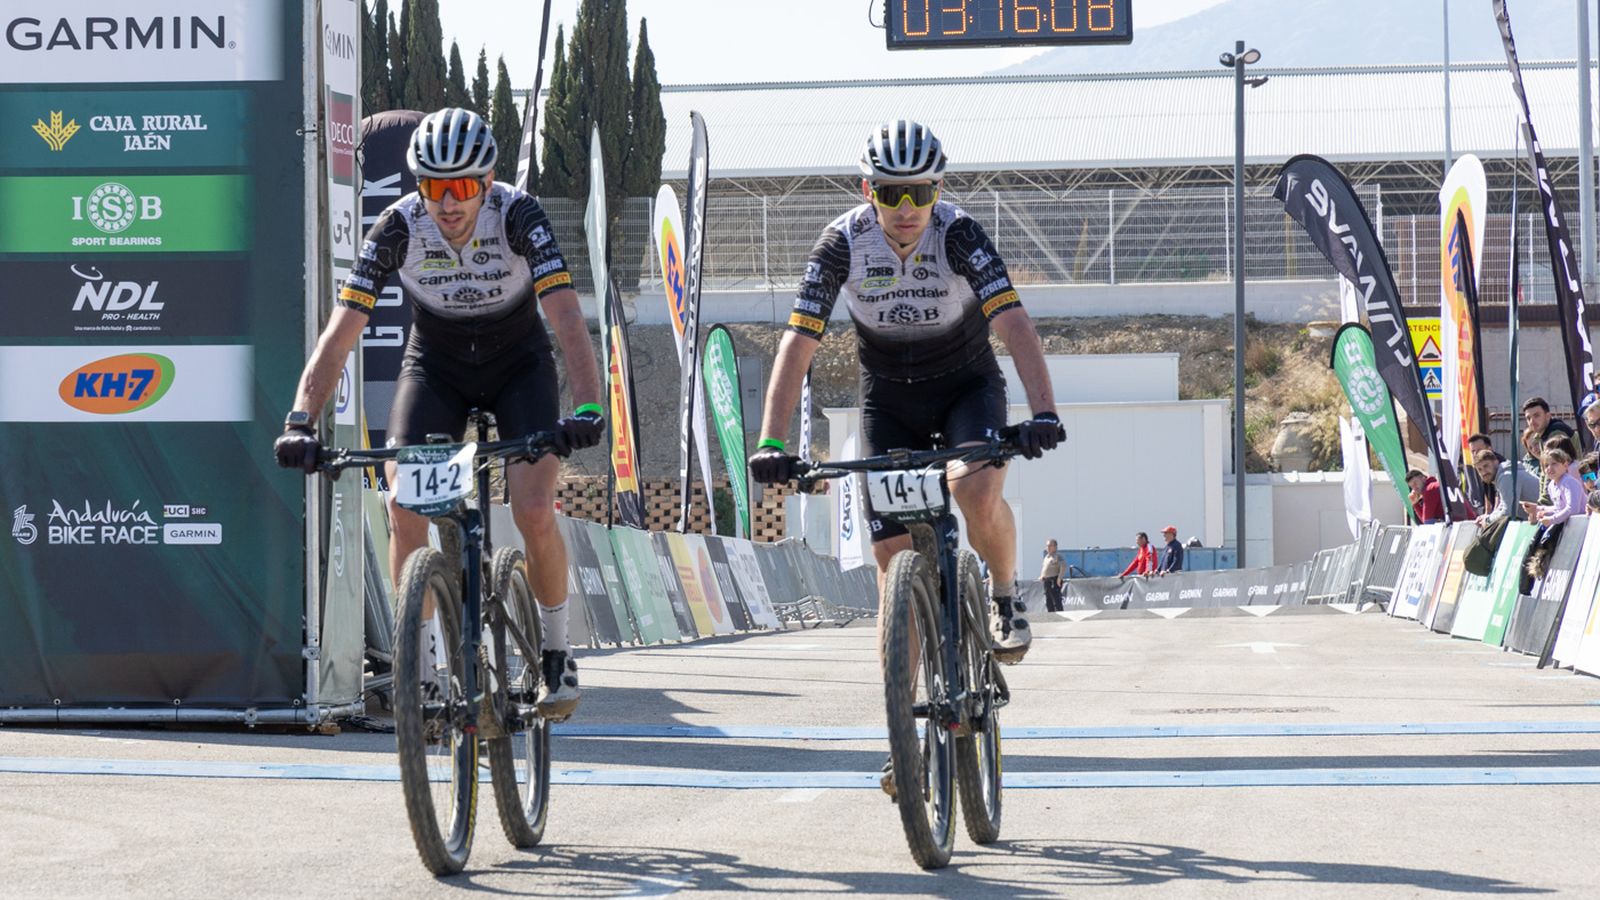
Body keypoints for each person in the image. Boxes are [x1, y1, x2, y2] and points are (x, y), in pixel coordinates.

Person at [746, 120, 1063, 795]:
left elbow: (1013, 323)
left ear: (937, 189)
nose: (906, 208)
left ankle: (1005, 598)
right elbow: (798, 342)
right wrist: (774, 442)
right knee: (895, 569)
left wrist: (1043, 412)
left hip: (967, 390)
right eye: (890, 194)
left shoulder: (960, 233)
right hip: (888, 399)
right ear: (869, 191)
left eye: (918, 191)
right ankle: (904, 734)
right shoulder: (842, 242)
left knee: (975, 493)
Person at [272, 108, 604, 720]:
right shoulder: (397, 226)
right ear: (417, 185)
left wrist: (587, 405)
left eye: (463, 187)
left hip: (519, 365)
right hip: (437, 367)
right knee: (404, 510)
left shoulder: (520, 215)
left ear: (488, 180)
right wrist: (300, 419)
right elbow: (341, 334)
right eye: (433, 187)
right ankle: (421, 672)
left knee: (532, 508)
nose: (448, 203)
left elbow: (563, 317)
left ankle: (556, 653)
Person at [1471, 448, 1538, 522]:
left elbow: (1508, 513)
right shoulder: (1503, 475)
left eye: (1486, 466)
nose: (1484, 472)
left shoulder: (1506, 476)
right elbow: (1502, 506)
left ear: (1496, 462)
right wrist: (1487, 517)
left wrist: (1487, 520)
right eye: (1479, 469)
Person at [1521, 397, 1575, 473]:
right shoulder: (1540, 435)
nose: (1532, 421)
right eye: (1528, 418)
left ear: (1548, 416)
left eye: (1536, 416)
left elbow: (1556, 470)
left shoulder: (1556, 432)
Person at [1040, 538, 1064, 613]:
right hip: (1046, 581)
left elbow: (1063, 566)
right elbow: (1044, 568)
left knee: (1056, 599)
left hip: (1054, 580)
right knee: (1048, 600)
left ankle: (1060, 614)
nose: (1048, 547)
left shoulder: (1057, 556)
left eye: (1050, 546)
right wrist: (1042, 576)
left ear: (1055, 547)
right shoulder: (1046, 557)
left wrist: (1059, 578)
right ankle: (1051, 615)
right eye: (1047, 546)